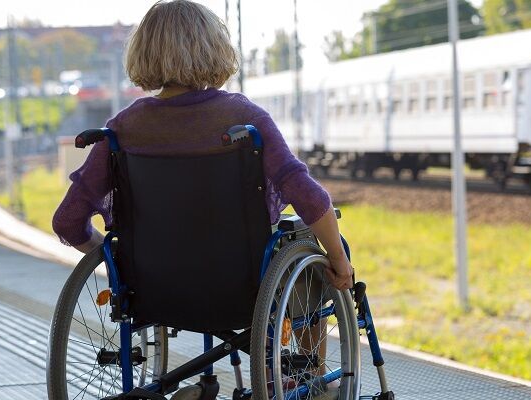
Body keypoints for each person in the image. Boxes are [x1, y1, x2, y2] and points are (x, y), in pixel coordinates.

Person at [52, 0, 353, 292]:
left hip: (153, 290)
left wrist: (114, 263)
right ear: (215, 51)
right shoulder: (244, 120)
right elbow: (308, 196)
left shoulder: (122, 129)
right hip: (241, 286)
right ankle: (299, 344)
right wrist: (339, 261)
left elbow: (67, 221)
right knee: (305, 254)